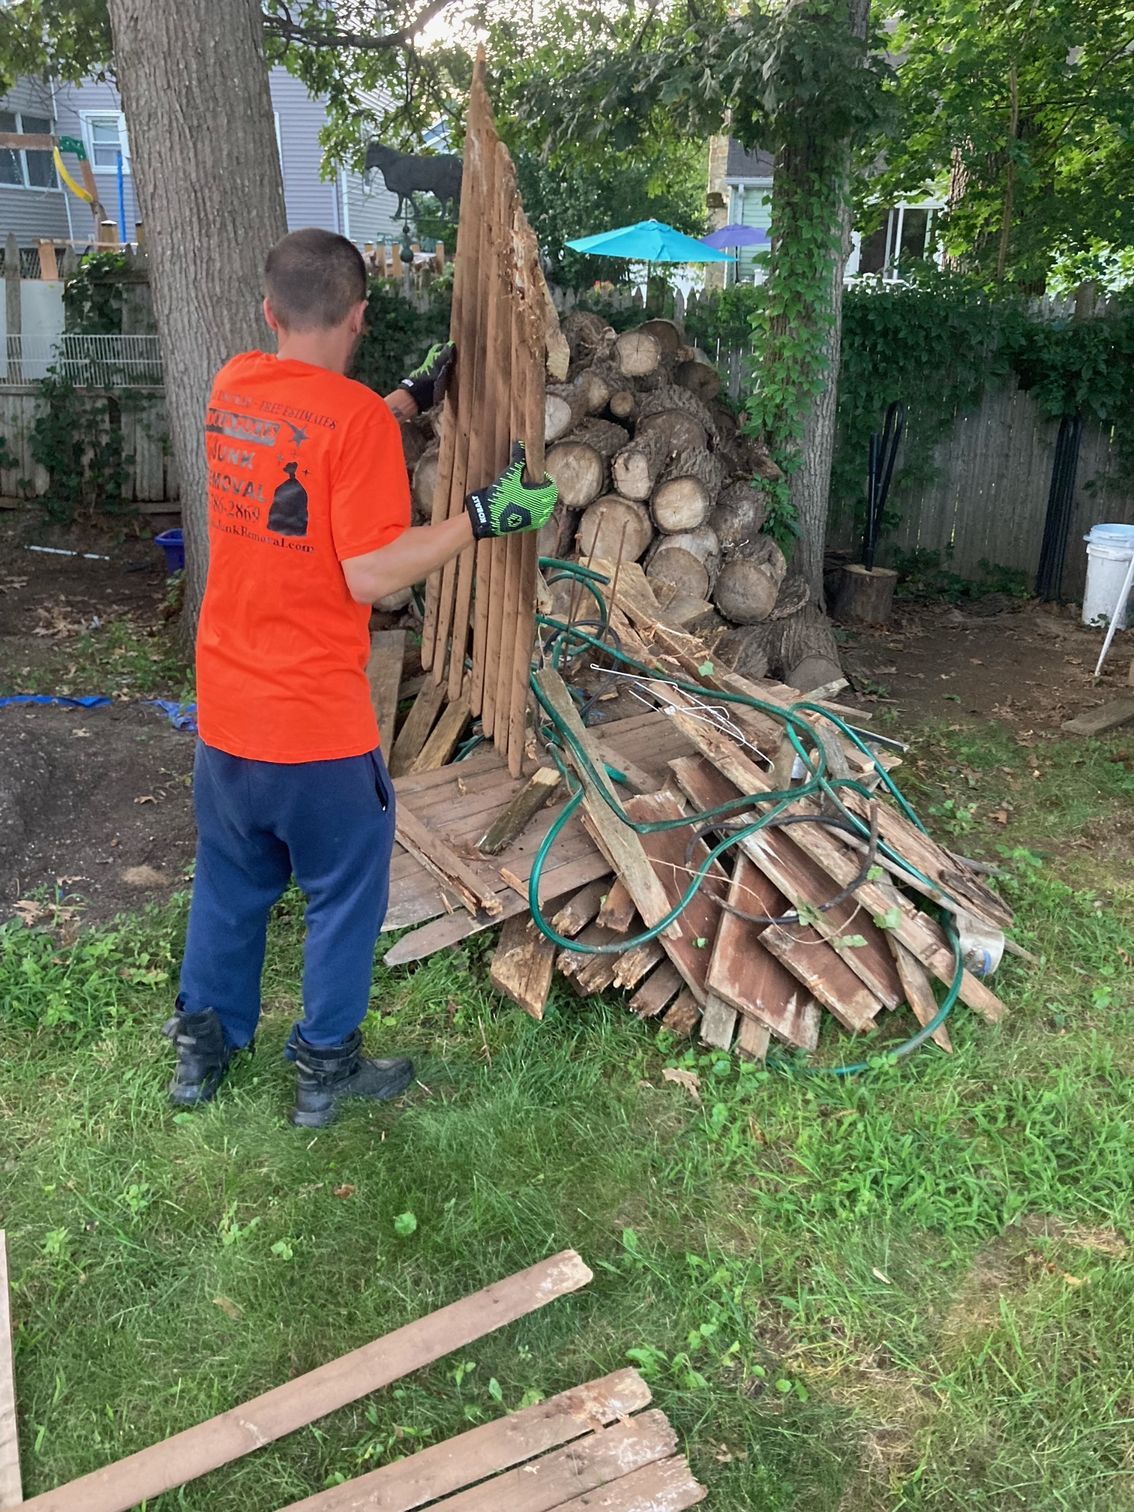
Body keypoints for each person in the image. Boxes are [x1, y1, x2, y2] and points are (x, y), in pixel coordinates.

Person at [166, 227, 558, 1128]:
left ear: (269, 314)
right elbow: (372, 574)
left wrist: (412, 399)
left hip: (227, 711)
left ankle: (204, 1053)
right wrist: (483, 515)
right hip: (314, 726)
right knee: (344, 894)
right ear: (361, 315)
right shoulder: (351, 427)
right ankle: (325, 1071)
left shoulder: (233, 389)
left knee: (231, 882)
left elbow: (309, 435)